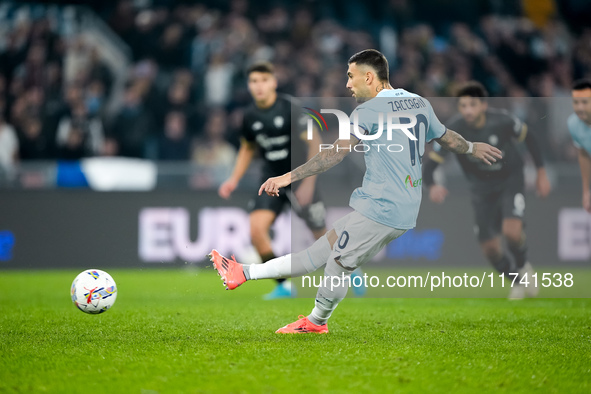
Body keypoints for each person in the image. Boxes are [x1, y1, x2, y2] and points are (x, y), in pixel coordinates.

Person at [210, 49, 502, 333]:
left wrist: (288, 177)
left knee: (337, 264)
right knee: (317, 254)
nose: (347, 85)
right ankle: (243, 273)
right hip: (391, 204)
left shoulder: (368, 110)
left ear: (370, 78)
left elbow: (334, 154)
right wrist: (473, 147)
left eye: (351, 77)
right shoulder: (419, 103)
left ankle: (316, 322)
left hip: (384, 207)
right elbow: (446, 137)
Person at [423, 81, 551, 300]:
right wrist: (432, 185)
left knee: (512, 232)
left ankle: (523, 266)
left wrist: (540, 172)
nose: (468, 111)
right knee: (490, 249)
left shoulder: (503, 121)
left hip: (510, 180)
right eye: (463, 106)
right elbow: (431, 164)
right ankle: (518, 281)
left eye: (472, 105)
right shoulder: (453, 131)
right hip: (480, 189)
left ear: (483, 106)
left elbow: (530, 138)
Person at [218, 61, 329, 300]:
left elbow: (314, 142)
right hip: (271, 181)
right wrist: (233, 179)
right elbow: (247, 148)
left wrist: (308, 181)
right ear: (249, 85)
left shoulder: (291, 107)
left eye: (264, 80)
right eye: (254, 81)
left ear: (274, 83)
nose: (259, 86)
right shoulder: (249, 116)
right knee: (257, 231)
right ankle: (284, 286)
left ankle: (352, 269)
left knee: (321, 235)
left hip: (299, 178)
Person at [568, 79, 591, 212]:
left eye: (584, 102)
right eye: (576, 103)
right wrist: (586, 191)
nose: (579, 107)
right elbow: (583, 155)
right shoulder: (573, 124)